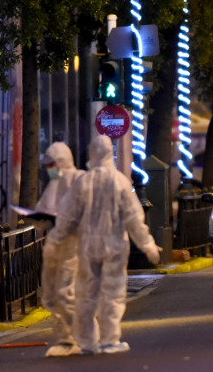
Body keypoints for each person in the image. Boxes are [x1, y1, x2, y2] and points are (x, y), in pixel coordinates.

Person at [46, 135, 159, 355]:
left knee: (87, 294)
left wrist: (56, 240)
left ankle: (87, 342)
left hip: (88, 245)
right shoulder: (120, 182)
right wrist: (148, 246)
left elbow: (67, 216)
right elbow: (134, 218)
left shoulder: (83, 182)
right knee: (112, 293)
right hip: (114, 245)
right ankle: (110, 340)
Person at [35, 142, 84, 357]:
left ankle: (76, 337)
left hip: (74, 245)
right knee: (57, 292)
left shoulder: (78, 180)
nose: (49, 169)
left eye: (51, 164)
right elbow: (44, 211)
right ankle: (67, 337)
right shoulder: (54, 184)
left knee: (67, 291)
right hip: (58, 245)